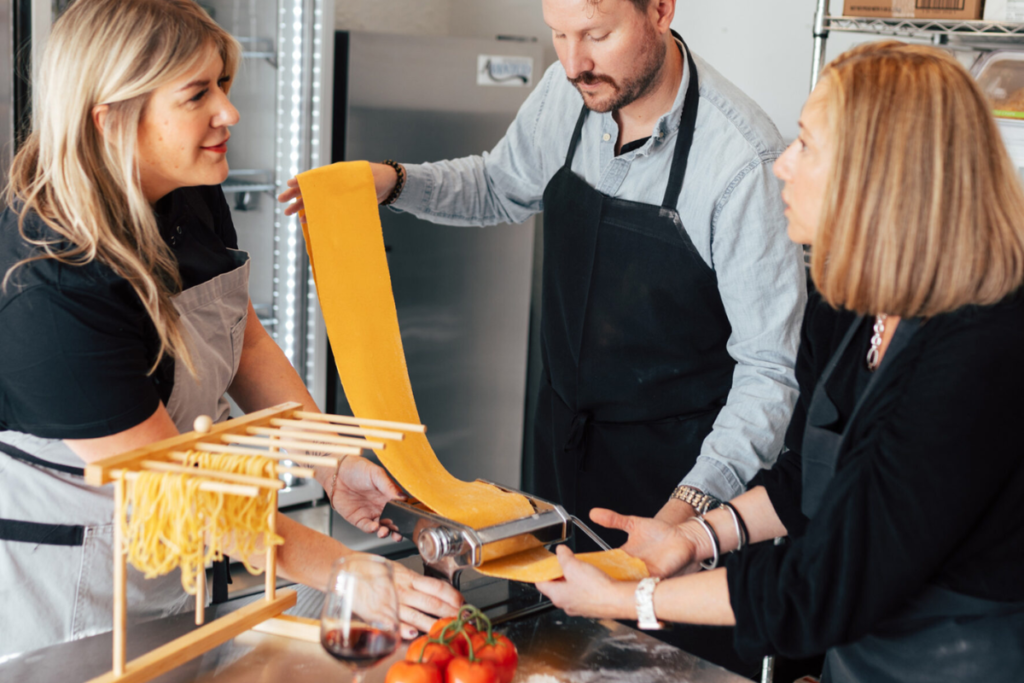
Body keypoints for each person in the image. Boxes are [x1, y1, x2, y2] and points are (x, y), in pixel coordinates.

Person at [536, 41, 1024, 683]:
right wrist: (693, 538)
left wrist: (633, 599)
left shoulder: (980, 354)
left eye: (807, 146)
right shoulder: (852, 310)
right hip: (861, 658)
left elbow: (826, 587)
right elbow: (809, 480)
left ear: (881, 177)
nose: (782, 166)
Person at [0, 0, 460, 657]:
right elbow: (173, 491)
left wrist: (331, 462)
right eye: (197, 95)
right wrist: (347, 571)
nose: (229, 112)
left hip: (192, 553)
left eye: (222, 83)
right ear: (111, 119)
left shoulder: (185, 191)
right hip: (73, 590)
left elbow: (242, 341)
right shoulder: (49, 284)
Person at [280, 0, 805, 545]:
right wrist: (395, 181)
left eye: (596, 35)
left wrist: (687, 516)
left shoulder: (744, 164)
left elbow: (771, 371)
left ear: (660, 10)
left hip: (679, 473)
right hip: (561, 443)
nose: (575, 64)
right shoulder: (566, 91)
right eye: (558, 34)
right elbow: (497, 186)